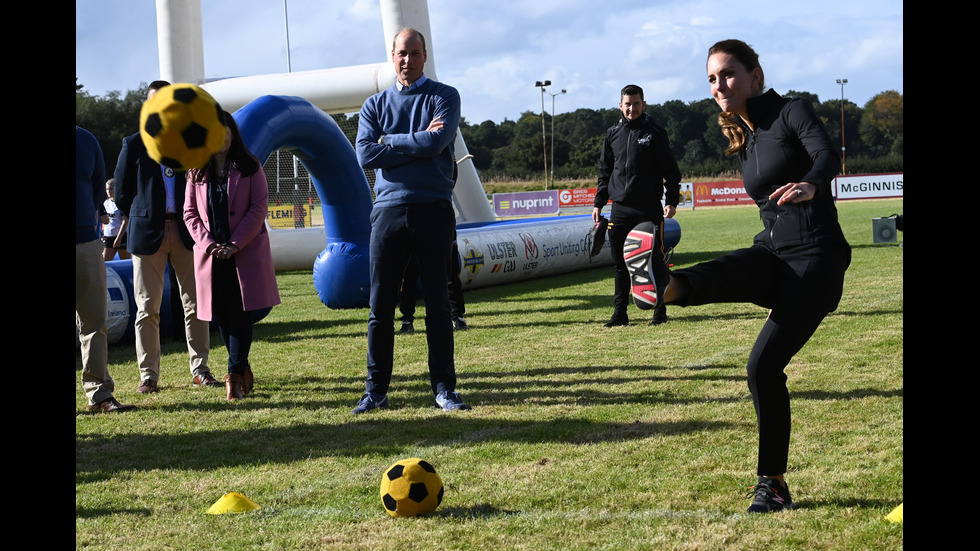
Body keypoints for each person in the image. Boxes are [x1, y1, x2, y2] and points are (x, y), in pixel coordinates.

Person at [626, 39, 851, 513]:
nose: (719, 85)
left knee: (761, 368)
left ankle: (774, 484)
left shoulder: (791, 112)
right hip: (773, 249)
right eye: (711, 78)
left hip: (817, 258)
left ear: (754, 76)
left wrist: (812, 183)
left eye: (727, 74)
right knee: (726, 270)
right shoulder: (743, 137)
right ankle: (665, 285)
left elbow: (826, 154)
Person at [353, 27, 470, 414]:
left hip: (433, 209)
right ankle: (376, 390)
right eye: (401, 53)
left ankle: (444, 389)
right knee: (380, 307)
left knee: (438, 303)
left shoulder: (444, 96)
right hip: (387, 212)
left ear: (424, 55)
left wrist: (390, 141)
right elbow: (366, 156)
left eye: (414, 53)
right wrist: (413, 141)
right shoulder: (373, 106)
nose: (407, 60)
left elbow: (437, 144)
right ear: (393, 55)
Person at [114, 80, 216, 393]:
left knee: (196, 304)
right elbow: (121, 194)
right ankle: (149, 376)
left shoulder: (191, 141)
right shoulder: (133, 144)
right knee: (147, 308)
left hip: (188, 232)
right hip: (147, 236)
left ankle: (200, 369)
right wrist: (146, 212)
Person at [184, 111, 281, 401]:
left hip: (244, 255)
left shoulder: (250, 167)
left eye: (226, 131)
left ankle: (234, 378)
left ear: (233, 134)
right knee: (222, 317)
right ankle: (241, 364)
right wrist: (210, 245)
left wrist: (235, 244)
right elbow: (189, 214)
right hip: (210, 257)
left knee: (240, 316)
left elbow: (258, 208)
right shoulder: (196, 172)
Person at [592, 84, 681, 328]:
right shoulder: (612, 134)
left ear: (644, 104)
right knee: (620, 264)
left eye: (636, 103)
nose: (632, 108)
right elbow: (605, 171)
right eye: (627, 104)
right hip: (619, 209)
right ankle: (620, 314)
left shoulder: (655, 132)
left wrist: (672, 200)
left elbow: (671, 171)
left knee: (654, 260)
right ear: (620, 105)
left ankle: (659, 311)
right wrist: (599, 202)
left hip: (648, 208)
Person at [76, 126, 136, 413]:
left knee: (94, 321)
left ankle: (99, 395)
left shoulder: (87, 140)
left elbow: (97, 191)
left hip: (87, 243)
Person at [398, 242, 468, 334]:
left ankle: (457, 317)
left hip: (440, 233)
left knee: (450, 273)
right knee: (409, 276)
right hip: (412, 235)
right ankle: (407, 320)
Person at [102, 178, 131, 260]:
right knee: (105, 264)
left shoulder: (121, 203)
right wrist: (103, 234)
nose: (108, 191)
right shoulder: (106, 203)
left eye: (111, 189)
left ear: (116, 189)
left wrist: (118, 238)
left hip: (121, 237)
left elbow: (125, 221)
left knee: (125, 263)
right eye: (107, 189)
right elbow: (105, 221)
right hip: (108, 237)